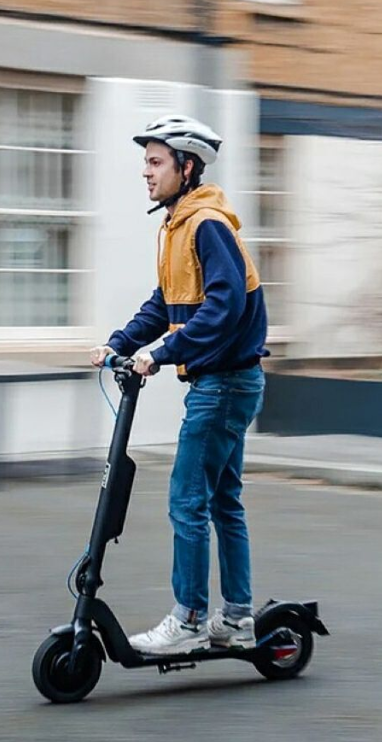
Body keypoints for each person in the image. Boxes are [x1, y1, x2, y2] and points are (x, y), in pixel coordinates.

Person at [90, 115, 269, 655]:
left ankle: (189, 618)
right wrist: (121, 342)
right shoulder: (176, 225)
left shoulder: (207, 224)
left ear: (186, 167)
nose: (145, 172)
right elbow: (165, 303)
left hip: (225, 383)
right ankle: (236, 617)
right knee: (223, 501)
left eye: (154, 161)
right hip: (227, 382)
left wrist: (162, 352)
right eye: (145, 161)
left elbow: (223, 306)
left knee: (187, 498)